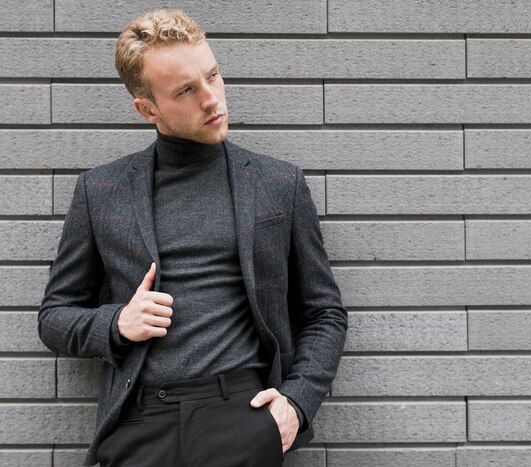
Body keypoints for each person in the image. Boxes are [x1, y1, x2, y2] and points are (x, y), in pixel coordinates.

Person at [37, 8, 347, 467]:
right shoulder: (100, 191)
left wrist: (296, 404)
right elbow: (54, 317)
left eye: (213, 76)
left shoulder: (277, 184)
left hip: (240, 415)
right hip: (138, 423)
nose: (211, 98)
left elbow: (324, 312)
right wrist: (117, 324)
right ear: (148, 109)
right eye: (186, 90)